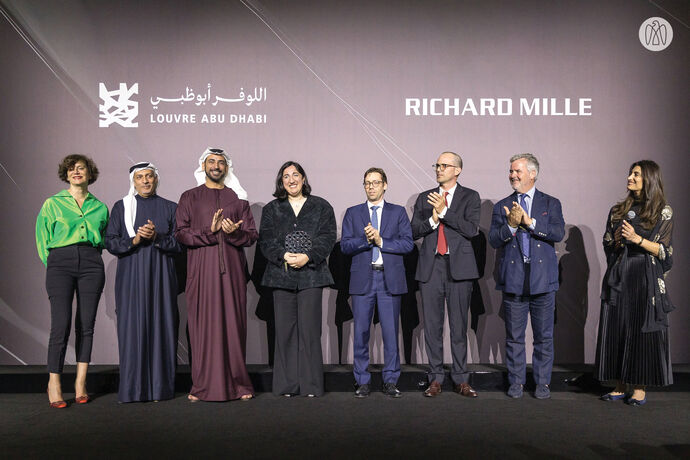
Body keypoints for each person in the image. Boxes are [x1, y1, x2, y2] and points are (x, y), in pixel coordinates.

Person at [175, 148, 258, 401]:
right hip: (201, 273)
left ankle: (239, 385)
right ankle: (201, 386)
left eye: (221, 163)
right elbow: (180, 234)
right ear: (203, 166)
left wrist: (233, 233)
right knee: (203, 328)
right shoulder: (189, 197)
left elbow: (252, 236)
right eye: (211, 162)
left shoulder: (238, 198)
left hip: (232, 273)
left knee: (234, 327)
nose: (216, 166)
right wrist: (209, 232)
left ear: (227, 168)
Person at [595, 160, 674, 406]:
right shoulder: (618, 210)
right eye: (630, 173)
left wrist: (637, 239)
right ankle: (619, 384)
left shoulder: (663, 211)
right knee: (618, 328)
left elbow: (664, 251)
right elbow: (609, 244)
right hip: (620, 276)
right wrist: (618, 240)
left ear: (649, 179)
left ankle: (639, 387)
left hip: (645, 278)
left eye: (636, 174)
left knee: (641, 330)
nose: (630, 177)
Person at [489, 153, 564, 399]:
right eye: (511, 171)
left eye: (517, 171)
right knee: (514, 338)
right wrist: (511, 225)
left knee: (544, 337)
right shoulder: (503, 205)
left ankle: (542, 382)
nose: (512, 175)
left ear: (533, 173)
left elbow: (557, 232)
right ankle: (517, 382)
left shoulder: (551, 203)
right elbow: (493, 239)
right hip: (514, 280)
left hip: (542, 281)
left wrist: (529, 222)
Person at [36, 154, 108, 408]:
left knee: (86, 324)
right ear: (65, 175)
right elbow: (42, 241)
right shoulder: (52, 203)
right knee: (61, 324)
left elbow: (102, 240)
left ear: (90, 174)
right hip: (60, 262)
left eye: (81, 168)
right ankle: (54, 382)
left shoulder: (100, 206)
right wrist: (56, 264)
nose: (76, 171)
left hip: (91, 263)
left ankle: (80, 382)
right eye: (71, 169)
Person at [259, 161, 336, 397]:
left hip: (311, 276)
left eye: (295, 175)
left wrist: (308, 257)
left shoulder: (321, 206)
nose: (291, 180)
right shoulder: (272, 209)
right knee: (284, 332)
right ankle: (286, 386)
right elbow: (266, 240)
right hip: (280, 276)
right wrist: (282, 255)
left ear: (303, 178)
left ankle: (311, 386)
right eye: (286, 176)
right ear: (281, 182)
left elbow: (328, 236)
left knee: (310, 331)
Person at [105, 162, 181, 403]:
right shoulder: (121, 207)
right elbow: (110, 242)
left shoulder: (171, 208)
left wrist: (157, 237)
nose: (146, 181)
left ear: (156, 180)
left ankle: (161, 389)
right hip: (131, 277)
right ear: (133, 182)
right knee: (132, 330)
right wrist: (135, 239)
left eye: (149, 176)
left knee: (163, 327)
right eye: (140, 178)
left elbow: (181, 244)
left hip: (162, 276)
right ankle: (133, 390)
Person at [411, 151, 480, 398]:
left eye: (444, 165)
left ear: (457, 170)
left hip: (459, 267)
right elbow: (414, 231)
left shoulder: (470, 197)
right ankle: (435, 378)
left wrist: (445, 212)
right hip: (431, 267)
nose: (439, 169)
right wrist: (432, 218)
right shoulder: (424, 198)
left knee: (459, 327)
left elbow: (471, 230)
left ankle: (461, 379)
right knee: (432, 327)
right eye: (437, 165)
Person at [341, 167, 414, 398]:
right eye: (367, 183)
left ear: (385, 185)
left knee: (391, 334)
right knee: (361, 332)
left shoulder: (398, 212)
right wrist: (366, 239)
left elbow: (407, 244)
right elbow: (345, 246)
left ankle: (390, 380)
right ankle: (362, 380)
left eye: (375, 182)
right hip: (363, 278)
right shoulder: (353, 213)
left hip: (388, 278)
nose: (371, 186)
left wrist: (381, 240)